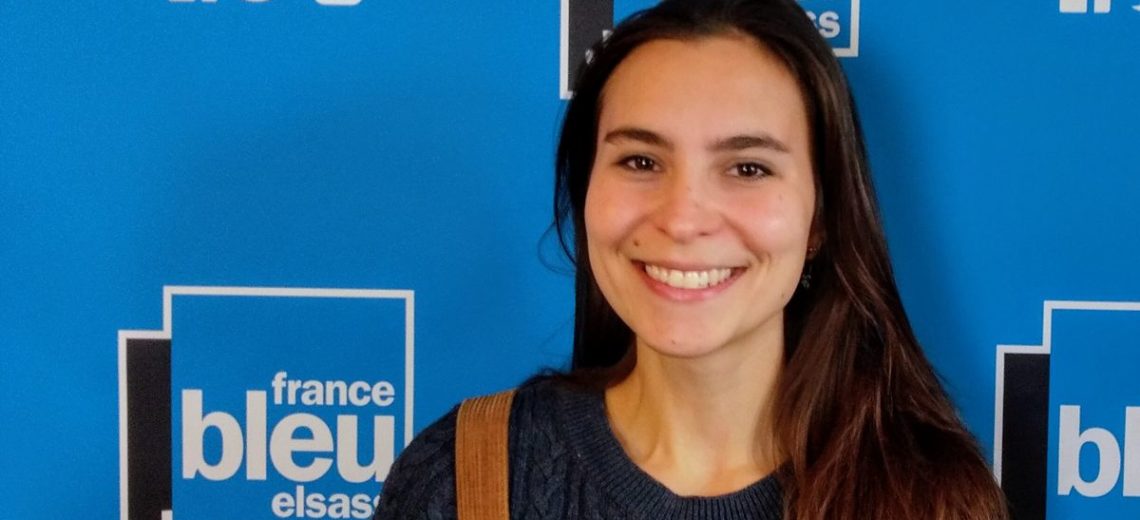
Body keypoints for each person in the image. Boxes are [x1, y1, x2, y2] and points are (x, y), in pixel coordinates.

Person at [375, 0, 1008, 518]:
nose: (682, 220)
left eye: (748, 168)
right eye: (641, 161)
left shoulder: (934, 501)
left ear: (821, 218)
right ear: (585, 190)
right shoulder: (461, 479)